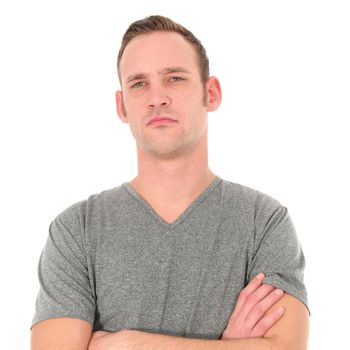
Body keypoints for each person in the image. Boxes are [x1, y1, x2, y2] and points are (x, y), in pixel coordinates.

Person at [31, 15, 309, 350]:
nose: (157, 97)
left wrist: (126, 343)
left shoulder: (263, 222)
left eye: (174, 78)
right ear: (121, 106)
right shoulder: (76, 230)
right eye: (139, 83)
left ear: (212, 93)